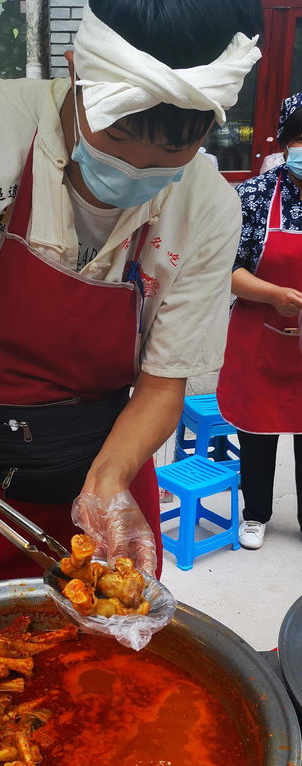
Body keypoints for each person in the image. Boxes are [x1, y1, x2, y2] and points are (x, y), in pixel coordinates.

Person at [0, 0, 262, 588]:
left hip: (113, 454)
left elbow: (164, 384)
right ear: (76, 70)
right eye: (118, 133)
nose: (134, 170)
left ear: (209, 123)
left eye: (169, 153)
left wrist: (109, 483)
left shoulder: (209, 206)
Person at [217, 93, 302, 550]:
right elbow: (228, 270)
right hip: (260, 334)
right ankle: (256, 513)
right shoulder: (251, 196)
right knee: (257, 429)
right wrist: (274, 296)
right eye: (301, 139)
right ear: (285, 143)